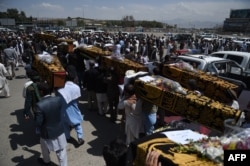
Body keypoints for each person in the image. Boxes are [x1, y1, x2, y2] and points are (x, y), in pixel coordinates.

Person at [35, 82, 68, 166]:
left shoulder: (39, 105)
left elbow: (38, 122)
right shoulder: (58, 99)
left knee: (44, 147)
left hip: (47, 132)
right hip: (59, 129)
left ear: (41, 92)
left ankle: (46, 161)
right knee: (61, 151)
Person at [57, 65, 84, 145]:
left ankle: (67, 137)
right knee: (77, 124)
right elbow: (77, 99)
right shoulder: (76, 87)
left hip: (63, 110)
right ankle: (80, 137)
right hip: (73, 108)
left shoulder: (60, 88)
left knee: (65, 125)